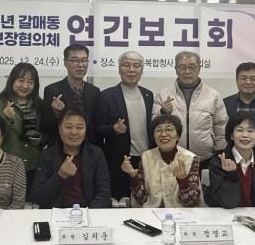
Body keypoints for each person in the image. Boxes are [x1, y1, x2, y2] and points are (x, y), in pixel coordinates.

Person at [96, 51, 153, 200]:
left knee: (144, 199)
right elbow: (98, 128)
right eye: (126, 65)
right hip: (119, 159)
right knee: (121, 200)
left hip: (145, 158)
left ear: (142, 70)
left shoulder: (148, 95)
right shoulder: (106, 96)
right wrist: (113, 129)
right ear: (119, 69)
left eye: (136, 66)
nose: (131, 69)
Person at [153, 51, 227, 165]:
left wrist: (219, 152)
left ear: (199, 68)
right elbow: (154, 125)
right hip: (172, 158)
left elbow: (221, 126)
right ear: (176, 69)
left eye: (192, 67)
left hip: (204, 159)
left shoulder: (213, 95)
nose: (187, 71)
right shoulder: (163, 94)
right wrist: (163, 112)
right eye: (182, 67)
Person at [31, 107, 111, 208]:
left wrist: (87, 213)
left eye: (79, 128)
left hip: (88, 213)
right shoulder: (47, 155)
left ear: (86, 130)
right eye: (68, 127)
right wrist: (60, 176)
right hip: (56, 214)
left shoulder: (96, 154)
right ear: (59, 129)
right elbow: (37, 196)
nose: (74, 132)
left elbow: (104, 194)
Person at [121, 114, 203, 207]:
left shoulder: (191, 158)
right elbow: (142, 199)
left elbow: (191, 202)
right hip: (151, 212)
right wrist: (133, 176)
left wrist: (183, 181)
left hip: (181, 212)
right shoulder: (146, 157)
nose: (163, 134)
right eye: (158, 130)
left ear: (178, 136)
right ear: (154, 136)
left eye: (169, 129)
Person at [0, 63, 44, 196]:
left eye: (30, 82)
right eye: (21, 80)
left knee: (30, 203)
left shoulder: (40, 104)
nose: (25, 85)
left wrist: (40, 139)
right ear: (12, 81)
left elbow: (47, 132)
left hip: (33, 166)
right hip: (5, 166)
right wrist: (5, 118)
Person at [42, 44, 101, 146]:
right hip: (61, 148)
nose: (80, 65)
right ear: (65, 63)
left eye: (84, 60)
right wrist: (56, 113)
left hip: (89, 148)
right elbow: (45, 127)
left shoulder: (94, 91)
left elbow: (96, 125)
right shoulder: (52, 90)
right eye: (75, 60)